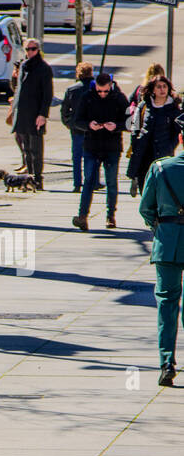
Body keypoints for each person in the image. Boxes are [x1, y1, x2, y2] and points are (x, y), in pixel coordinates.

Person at [140, 115, 184, 386]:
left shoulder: (160, 168)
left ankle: (167, 361)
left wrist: (161, 231)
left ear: (180, 139)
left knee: (167, 303)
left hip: (167, 241)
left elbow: (146, 208)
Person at [73, 72, 130, 231]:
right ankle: (82, 216)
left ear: (110, 86)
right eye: (99, 91)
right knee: (89, 181)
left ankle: (110, 215)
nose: (103, 94)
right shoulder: (87, 97)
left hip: (111, 146)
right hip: (92, 145)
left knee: (111, 182)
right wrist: (89, 125)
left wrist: (116, 126)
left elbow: (129, 122)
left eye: (105, 91)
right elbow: (77, 121)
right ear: (95, 87)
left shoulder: (119, 98)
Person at [10, 38, 54, 189]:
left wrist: (43, 114)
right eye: (27, 49)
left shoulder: (44, 68)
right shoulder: (23, 65)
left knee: (36, 149)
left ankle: (37, 178)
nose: (30, 52)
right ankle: (27, 177)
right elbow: (18, 88)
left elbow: (48, 94)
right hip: (22, 112)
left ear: (38, 50)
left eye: (33, 49)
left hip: (35, 113)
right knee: (26, 148)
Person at [127, 76, 182, 197]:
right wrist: (135, 144)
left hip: (163, 155)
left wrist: (170, 146)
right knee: (145, 191)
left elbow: (177, 131)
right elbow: (134, 127)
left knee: (160, 190)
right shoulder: (144, 105)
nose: (162, 89)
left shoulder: (173, 108)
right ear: (152, 89)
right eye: (158, 87)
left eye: (164, 86)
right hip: (143, 154)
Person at [61, 62, 99, 194]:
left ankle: (77, 183)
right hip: (93, 128)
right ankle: (94, 182)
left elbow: (65, 109)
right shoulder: (96, 88)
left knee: (77, 157)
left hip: (77, 128)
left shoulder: (72, 89)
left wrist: (68, 123)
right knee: (93, 155)